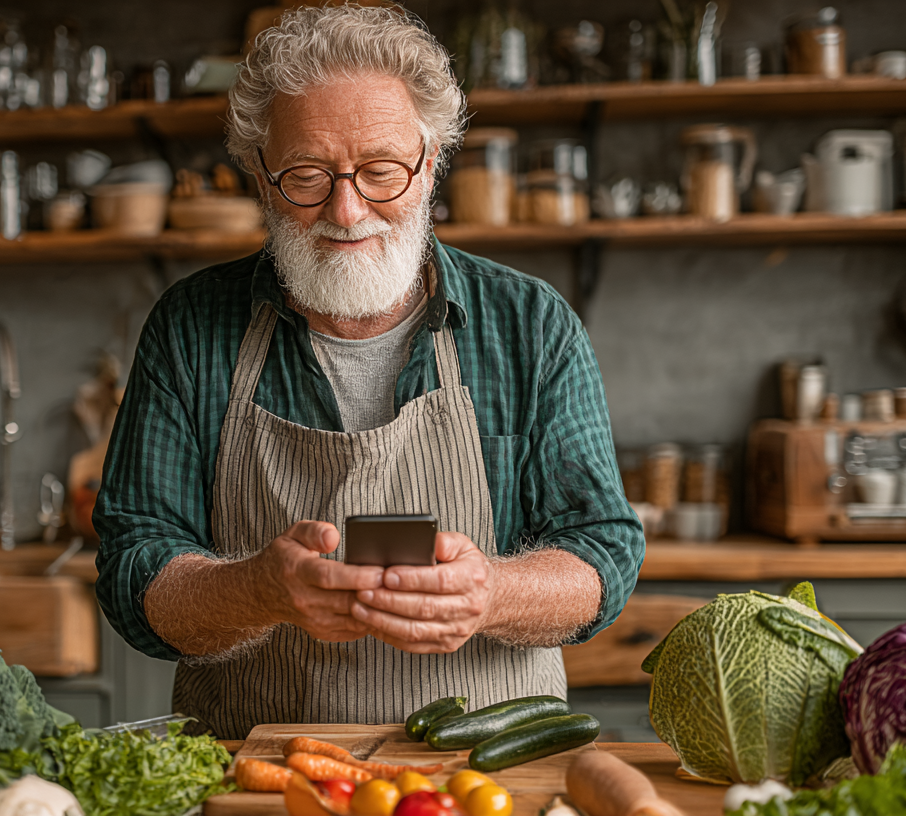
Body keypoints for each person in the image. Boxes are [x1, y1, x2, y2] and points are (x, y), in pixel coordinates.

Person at [94, 5, 643, 740]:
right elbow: (134, 570)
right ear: (260, 174)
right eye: (306, 176)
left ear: (433, 157)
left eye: (381, 171)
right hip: (259, 779)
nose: (347, 210)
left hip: (482, 779)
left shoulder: (530, 326)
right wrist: (257, 592)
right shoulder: (192, 329)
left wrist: (492, 593)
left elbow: (601, 552)